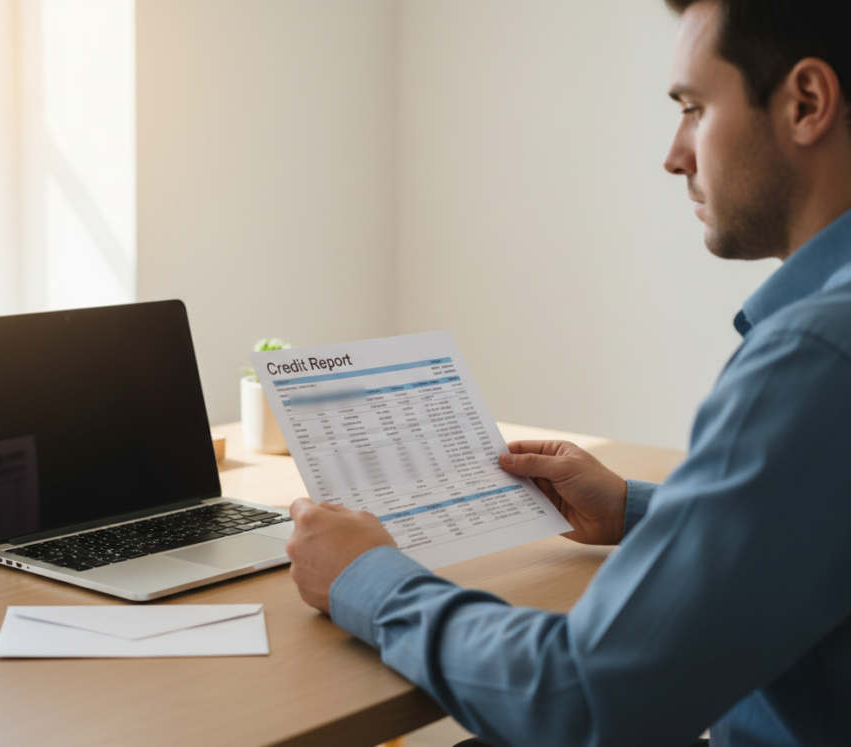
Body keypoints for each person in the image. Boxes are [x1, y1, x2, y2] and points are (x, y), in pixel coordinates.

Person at [284, 0, 851, 745]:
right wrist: (635, 510)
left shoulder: (816, 354)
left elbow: (584, 697)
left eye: (693, 108)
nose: (675, 154)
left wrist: (366, 578)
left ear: (806, 103)